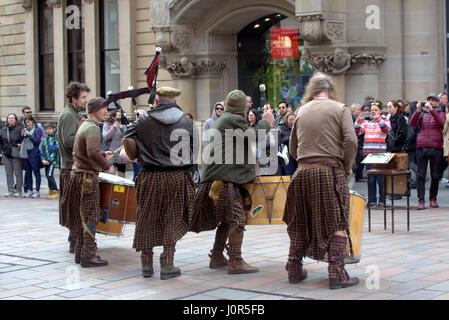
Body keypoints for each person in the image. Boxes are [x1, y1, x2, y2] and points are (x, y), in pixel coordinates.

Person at [283, 72, 359, 289]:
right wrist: (347, 165)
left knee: (300, 220)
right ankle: (336, 274)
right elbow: (351, 140)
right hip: (330, 171)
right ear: (330, 89)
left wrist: (306, 162)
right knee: (337, 220)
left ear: (311, 90)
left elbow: (292, 147)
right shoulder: (340, 108)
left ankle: (294, 269)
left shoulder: (301, 111)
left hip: (303, 172)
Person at [190, 89, 273, 275]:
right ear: (242, 108)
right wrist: (266, 123)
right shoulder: (233, 119)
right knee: (237, 219)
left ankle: (217, 255)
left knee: (227, 220)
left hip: (219, 178)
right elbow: (253, 135)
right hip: (224, 179)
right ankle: (235, 260)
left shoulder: (225, 119)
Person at [123, 87, 196, 280]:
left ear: (156, 102)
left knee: (146, 217)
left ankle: (146, 264)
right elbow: (193, 151)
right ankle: (167, 264)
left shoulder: (143, 120)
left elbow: (126, 138)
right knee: (172, 218)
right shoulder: (186, 121)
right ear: (174, 101)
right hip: (177, 176)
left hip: (150, 176)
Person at [65, 97, 114, 267]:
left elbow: (87, 152)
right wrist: (106, 165)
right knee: (91, 215)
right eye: (103, 108)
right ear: (95, 110)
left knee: (82, 215)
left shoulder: (84, 125)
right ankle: (88, 254)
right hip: (86, 178)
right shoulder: (92, 127)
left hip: (78, 175)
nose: (106, 111)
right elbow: (92, 152)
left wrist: (101, 155)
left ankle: (80, 251)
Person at [57, 81, 90, 254]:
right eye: (83, 97)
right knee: (76, 207)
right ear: (73, 98)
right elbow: (69, 141)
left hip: (72, 167)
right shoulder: (69, 115)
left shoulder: (74, 114)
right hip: (71, 168)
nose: (86, 100)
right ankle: (77, 242)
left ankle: (75, 240)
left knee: (77, 206)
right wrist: (86, 135)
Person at [409, 94, 446, 209]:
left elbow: (441, 123)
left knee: (435, 175)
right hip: (422, 146)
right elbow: (412, 123)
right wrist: (417, 110)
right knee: (420, 175)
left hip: (436, 146)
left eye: (433, 101)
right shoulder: (421, 113)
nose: (430, 102)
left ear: (437, 103)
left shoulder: (441, 112)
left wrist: (431, 110)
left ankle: (433, 198)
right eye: (429, 100)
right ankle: (421, 200)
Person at [355, 101, 391, 207]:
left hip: (380, 154)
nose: (373, 112)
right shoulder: (366, 122)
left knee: (380, 179)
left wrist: (378, 118)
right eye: (371, 110)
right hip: (368, 153)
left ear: (380, 111)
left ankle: (382, 200)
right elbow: (357, 131)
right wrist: (359, 120)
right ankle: (372, 200)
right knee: (371, 179)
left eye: (376, 110)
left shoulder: (385, 120)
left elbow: (386, 130)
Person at [21, 115, 44, 198]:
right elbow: (22, 141)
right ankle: (29, 189)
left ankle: (37, 190)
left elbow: (37, 141)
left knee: (36, 171)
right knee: (28, 172)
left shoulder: (38, 129)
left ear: (32, 121)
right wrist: (22, 135)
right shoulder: (25, 129)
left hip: (34, 152)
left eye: (29, 122)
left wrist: (29, 135)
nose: (27, 124)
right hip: (25, 152)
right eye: (26, 122)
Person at [1, 113, 24, 197]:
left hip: (15, 152)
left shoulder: (19, 128)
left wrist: (20, 144)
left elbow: (22, 139)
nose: (11, 119)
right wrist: (2, 151)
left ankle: (18, 190)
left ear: (15, 119)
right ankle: (10, 189)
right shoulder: (3, 129)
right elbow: (1, 141)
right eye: (9, 118)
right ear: (7, 120)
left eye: (12, 118)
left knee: (18, 172)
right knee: (8, 173)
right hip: (6, 153)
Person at [101, 109, 126, 178]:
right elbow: (105, 137)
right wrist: (114, 128)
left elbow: (127, 138)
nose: (120, 117)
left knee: (122, 176)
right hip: (111, 154)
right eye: (118, 116)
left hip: (121, 155)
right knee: (110, 176)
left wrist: (122, 129)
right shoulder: (107, 125)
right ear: (113, 117)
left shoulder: (123, 125)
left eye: (120, 116)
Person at [40, 123, 60, 199]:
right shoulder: (45, 139)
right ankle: (51, 189)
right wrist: (43, 159)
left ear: (53, 129)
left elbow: (55, 151)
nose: (48, 131)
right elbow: (42, 150)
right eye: (47, 129)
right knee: (47, 175)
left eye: (50, 129)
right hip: (45, 161)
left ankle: (55, 189)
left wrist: (49, 160)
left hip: (52, 161)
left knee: (49, 175)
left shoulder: (55, 139)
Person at [279, 111, 298, 175]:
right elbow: (282, 140)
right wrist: (291, 138)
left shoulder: (298, 128)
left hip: (297, 153)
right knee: (289, 173)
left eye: (293, 119)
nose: (292, 121)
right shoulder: (281, 128)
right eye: (290, 119)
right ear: (286, 120)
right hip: (287, 154)